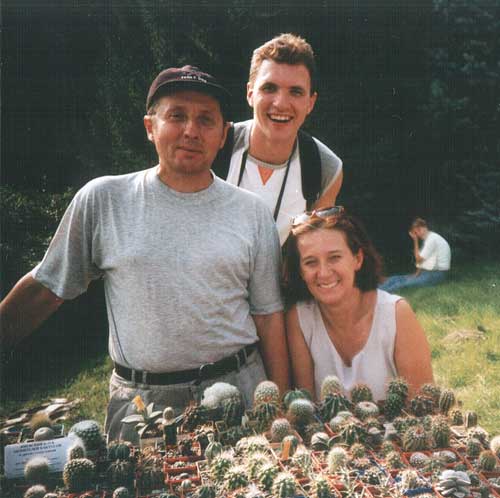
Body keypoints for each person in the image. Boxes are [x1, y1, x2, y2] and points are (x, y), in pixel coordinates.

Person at [0, 65, 290, 443]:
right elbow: (46, 287)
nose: (191, 130)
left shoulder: (252, 212)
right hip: (141, 408)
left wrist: (278, 406)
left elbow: (269, 316)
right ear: (150, 126)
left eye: (206, 119)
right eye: (177, 116)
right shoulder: (104, 200)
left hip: (238, 394)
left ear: (223, 135)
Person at [283, 207, 433, 401]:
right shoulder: (299, 318)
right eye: (311, 262)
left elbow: (425, 407)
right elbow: (306, 408)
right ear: (301, 271)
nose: (324, 273)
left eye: (334, 258)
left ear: (358, 259)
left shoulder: (396, 314)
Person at [213, 33, 343, 246]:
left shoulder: (325, 167)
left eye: (296, 92)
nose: (281, 103)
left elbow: (313, 251)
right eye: (269, 88)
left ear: (310, 103)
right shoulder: (215, 144)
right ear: (250, 93)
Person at [380, 217, 451, 293]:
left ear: (423, 228)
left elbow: (418, 259)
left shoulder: (432, 240)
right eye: (416, 233)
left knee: (402, 284)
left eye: (416, 232)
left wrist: (415, 241)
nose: (417, 235)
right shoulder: (430, 238)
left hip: (437, 275)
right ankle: (376, 289)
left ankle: (378, 293)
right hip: (428, 272)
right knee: (397, 278)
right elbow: (423, 261)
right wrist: (416, 274)